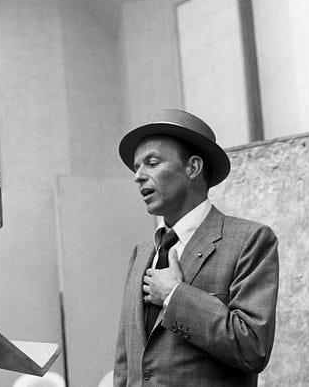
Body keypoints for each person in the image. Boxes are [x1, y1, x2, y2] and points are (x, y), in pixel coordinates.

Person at [113, 109, 279, 387]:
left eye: (152, 163)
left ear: (192, 168)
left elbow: (253, 348)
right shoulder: (141, 253)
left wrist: (174, 295)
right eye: (136, 167)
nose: (138, 176)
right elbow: (125, 361)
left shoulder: (250, 240)